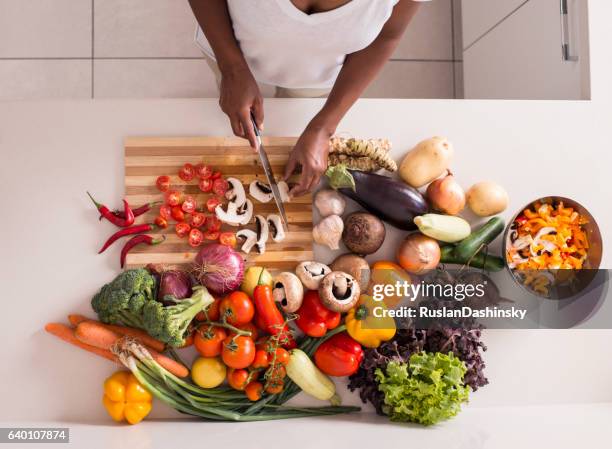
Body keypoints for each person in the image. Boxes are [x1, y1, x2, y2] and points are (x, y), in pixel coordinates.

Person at [189, 0, 429, 196]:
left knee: (293, 110)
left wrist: (323, 127)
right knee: (230, 110)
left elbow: (387, 35)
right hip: (231, 54)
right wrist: (232, 69)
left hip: (317, 77)